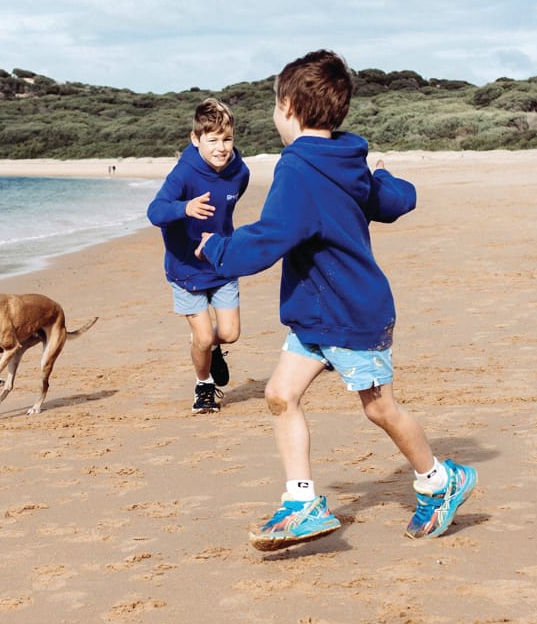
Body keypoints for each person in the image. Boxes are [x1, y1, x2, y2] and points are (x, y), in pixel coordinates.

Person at [195, 50, 476, 549]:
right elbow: (386, 199)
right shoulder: (346, 160)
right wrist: (389, 181)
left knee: (380, 408)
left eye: (275, 105)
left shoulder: (300, 170)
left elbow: (270, 236)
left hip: (348, 313)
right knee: (281, 395)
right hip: (316, 314)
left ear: (288, 107)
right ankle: (302, 504)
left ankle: (439, 479)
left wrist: (217, 248)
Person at [146, 98, 251, 413]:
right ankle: (203, 385)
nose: (221, 147)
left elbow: (228, 205)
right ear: (196, 139)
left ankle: (208, 350)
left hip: (220, 261)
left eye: (227, 139)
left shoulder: (239, 172)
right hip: (186, 267)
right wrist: (185, 208)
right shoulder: (183, 174)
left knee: (229, 334)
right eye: (213, 140)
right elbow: (155, 211)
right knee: (203, 337)